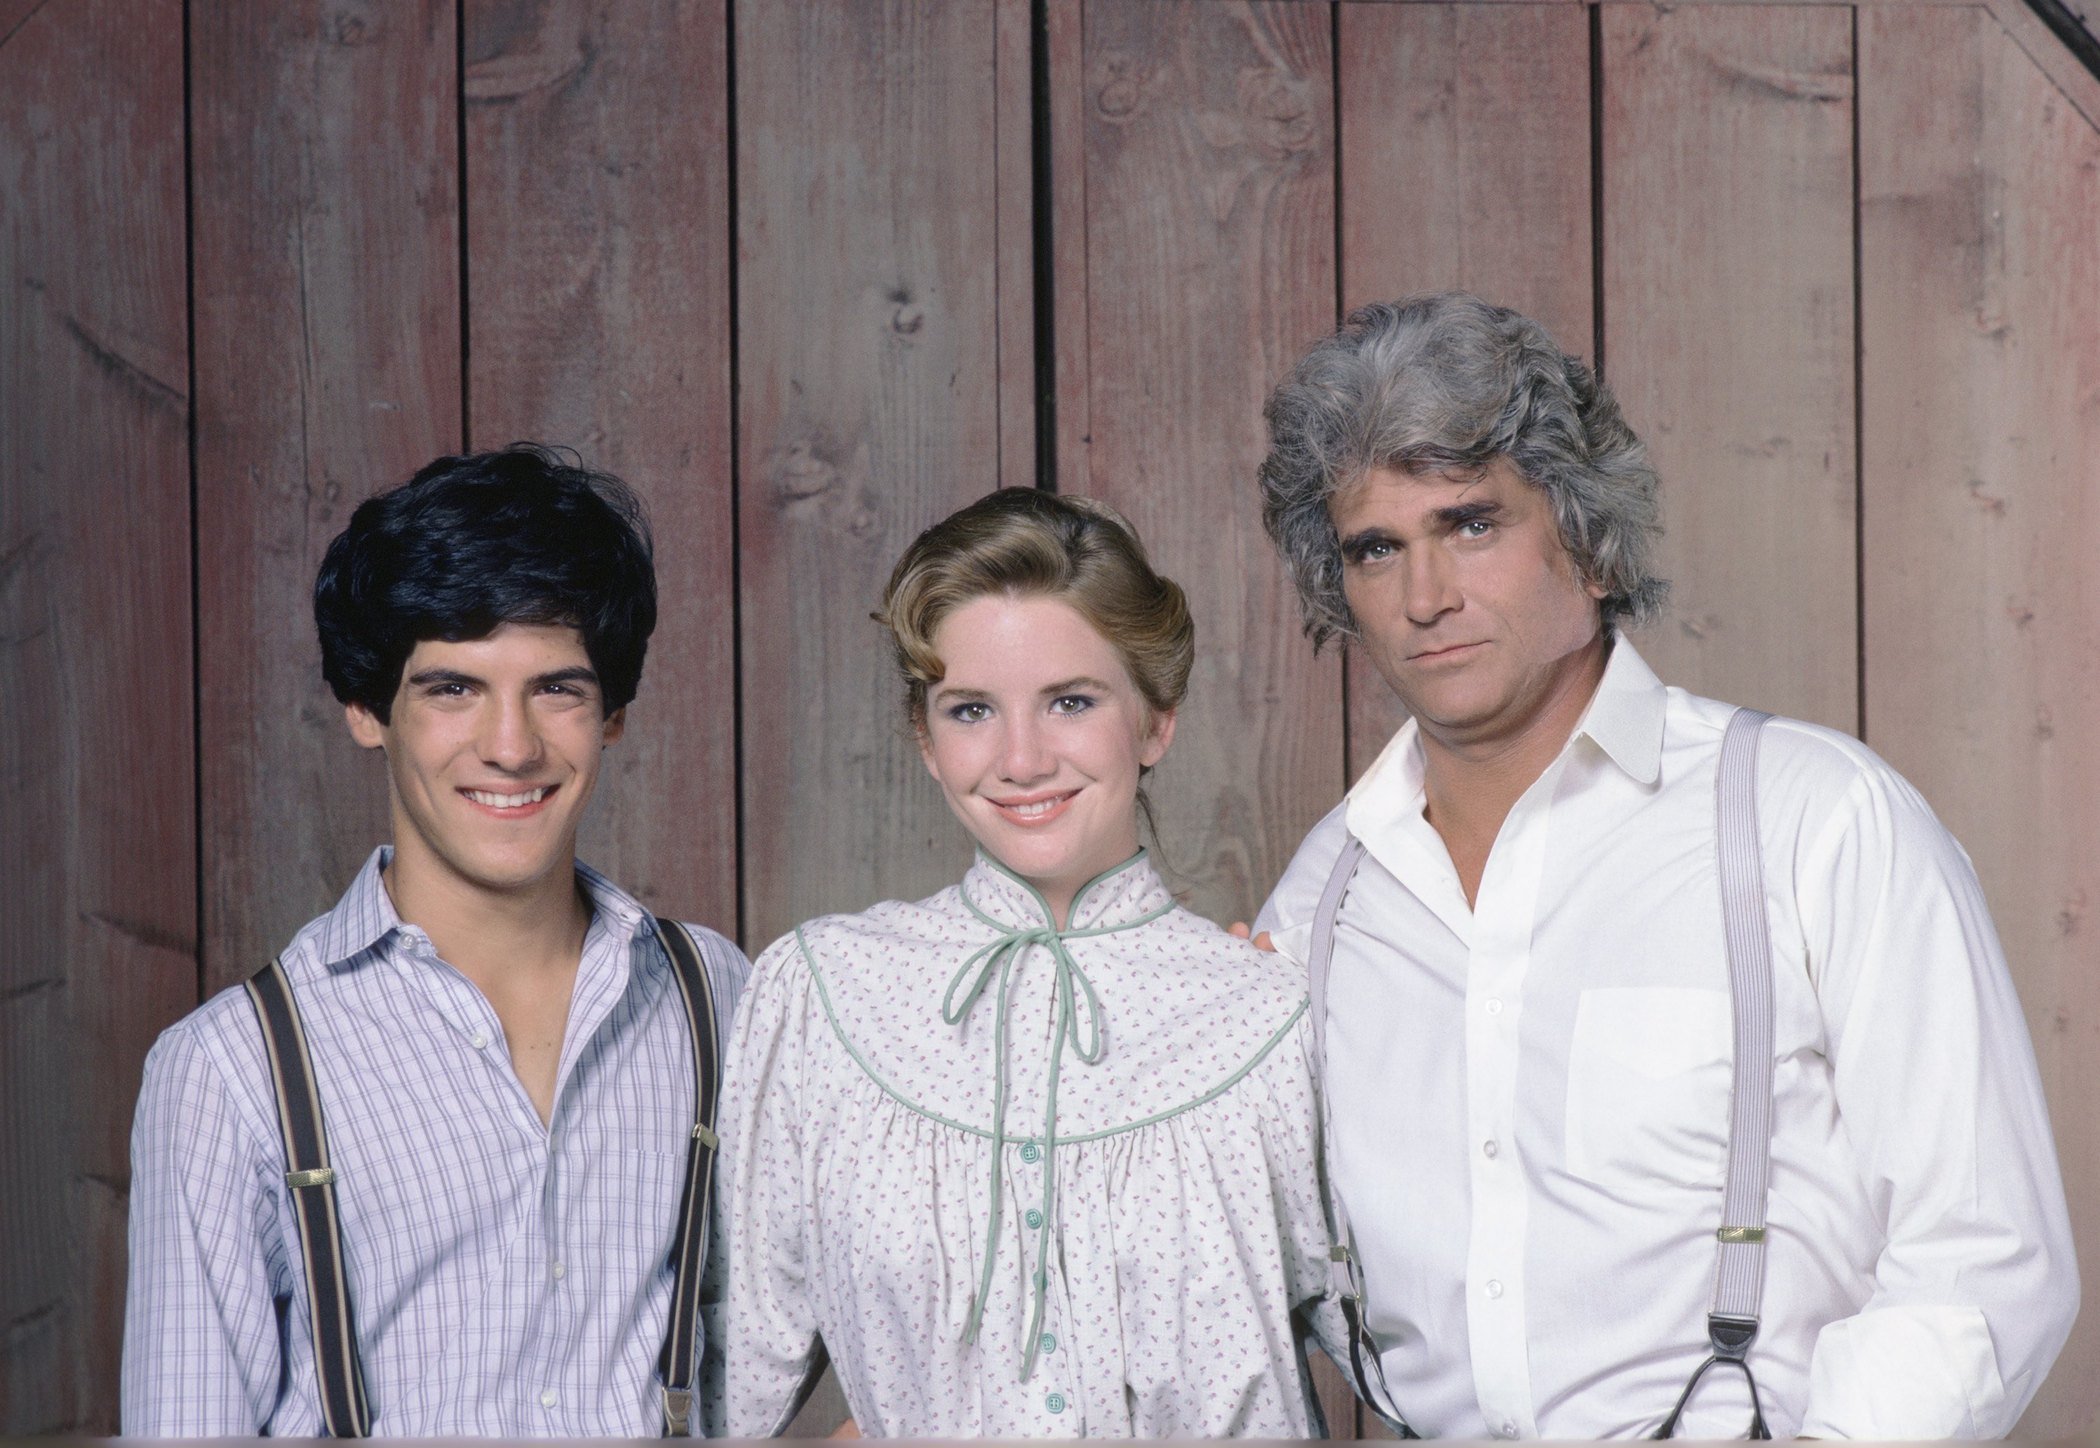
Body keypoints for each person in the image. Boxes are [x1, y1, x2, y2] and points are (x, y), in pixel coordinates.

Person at [1250, 292, 2078, 1439]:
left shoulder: (1815, 819)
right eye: (1377, 547)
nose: (1425, 596)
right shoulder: (1321, 899)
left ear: (1588, 541)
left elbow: (1987, 1253)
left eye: (1472, 523)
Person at [122, 445, 749, 1436]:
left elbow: (755, 1366)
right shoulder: (228, 1070)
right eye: (453, 688)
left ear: (613, 712)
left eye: (557, 688)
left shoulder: (714, 995)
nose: (511, 744)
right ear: (369, 709)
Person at [706, 487, 1342, 1437]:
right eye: (970, 710)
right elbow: (734, 1384)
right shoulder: (822, 996)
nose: (1020, 758)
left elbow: (1419, 1349)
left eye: (1071, 703)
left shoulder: (1273, 1012)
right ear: (924, 739)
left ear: (1157, 719)